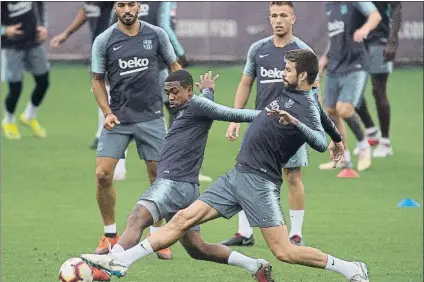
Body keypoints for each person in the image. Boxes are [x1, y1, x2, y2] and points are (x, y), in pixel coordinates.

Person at [81, 49, 369, 282]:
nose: (283, 73)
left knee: (284, 252)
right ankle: (121, 261)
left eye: (288, 70)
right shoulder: (302, 95)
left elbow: (318, 141)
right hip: (236, 175)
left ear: (303, 75)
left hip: (260, 183)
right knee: (182, 220)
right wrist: (339, 140)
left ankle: (350, 268)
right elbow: (326, 122)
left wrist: (299, 126)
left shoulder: (304, 107)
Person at [83, 69, 275, 281]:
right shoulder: (195, 104)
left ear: (189, 90)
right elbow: (206, 104)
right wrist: (209, 90)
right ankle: (255, 265)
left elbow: (231, 113)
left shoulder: (196, 105)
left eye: (175, 92)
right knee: (198, 249)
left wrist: (267, 114)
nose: (171, 97)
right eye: (167, 92)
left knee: (137, 218)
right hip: (187, 188)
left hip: (171, 184)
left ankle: (111, 264)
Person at [90, 0, 181, 265]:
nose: (127, 9)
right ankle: (109, 235)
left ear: (139, 6)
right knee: (103, 174)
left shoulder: (156, 34)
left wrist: (181, 95)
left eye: (132, 4)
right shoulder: (104, 40)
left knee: (158, 177)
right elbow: (96, 79)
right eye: (121, 5)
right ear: (115, 8)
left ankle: (157, 236)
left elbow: (174, 67)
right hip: (118, 118)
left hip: (151, 117)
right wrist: (107, 112)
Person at [223, 1, 318, 247]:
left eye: (283, 15)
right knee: (247, 174)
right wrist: (236, 117)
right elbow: (246, 83)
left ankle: (295, 233)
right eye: (273, 15)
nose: (278, 20)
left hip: (290, 127)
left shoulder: (304, 53)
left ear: (293, 18)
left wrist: (309, 125)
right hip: (259, 125)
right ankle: (244, 232)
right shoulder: (258, 49)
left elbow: (314, 92)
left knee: (293, 176)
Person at [49, 2, 129, 181]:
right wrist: (65, 34)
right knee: (105, 98)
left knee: (118, 106)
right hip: (101, 54)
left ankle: (120, 162)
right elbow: (85, 11)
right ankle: (103, 137)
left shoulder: (118, 6)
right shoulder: (93, 3)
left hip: (119, 56)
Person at [318, 2, 382, 175]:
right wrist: (325, 57)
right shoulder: (329, 6)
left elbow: (376, 16)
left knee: (344, 109)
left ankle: (364, 146)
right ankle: (342, 158)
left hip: (356, 64)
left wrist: (365, 29)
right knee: (330, 111)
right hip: (335, 66)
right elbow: (336, 37)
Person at [354, 2, 402, 158]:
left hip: (379, 40)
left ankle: (385, 143)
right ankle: (371, 131)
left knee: (378, 90)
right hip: (357, 40)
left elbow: (396, 7)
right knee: (352, 91)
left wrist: (393, 40)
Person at [1, 1, 50, 140]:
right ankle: (8, 121)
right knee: (15, 87)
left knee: (43, 81)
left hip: (33, 41)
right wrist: (4, 30)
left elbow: (40, 6)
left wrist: (42, 26)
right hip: (10, 46)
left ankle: (29, 116)